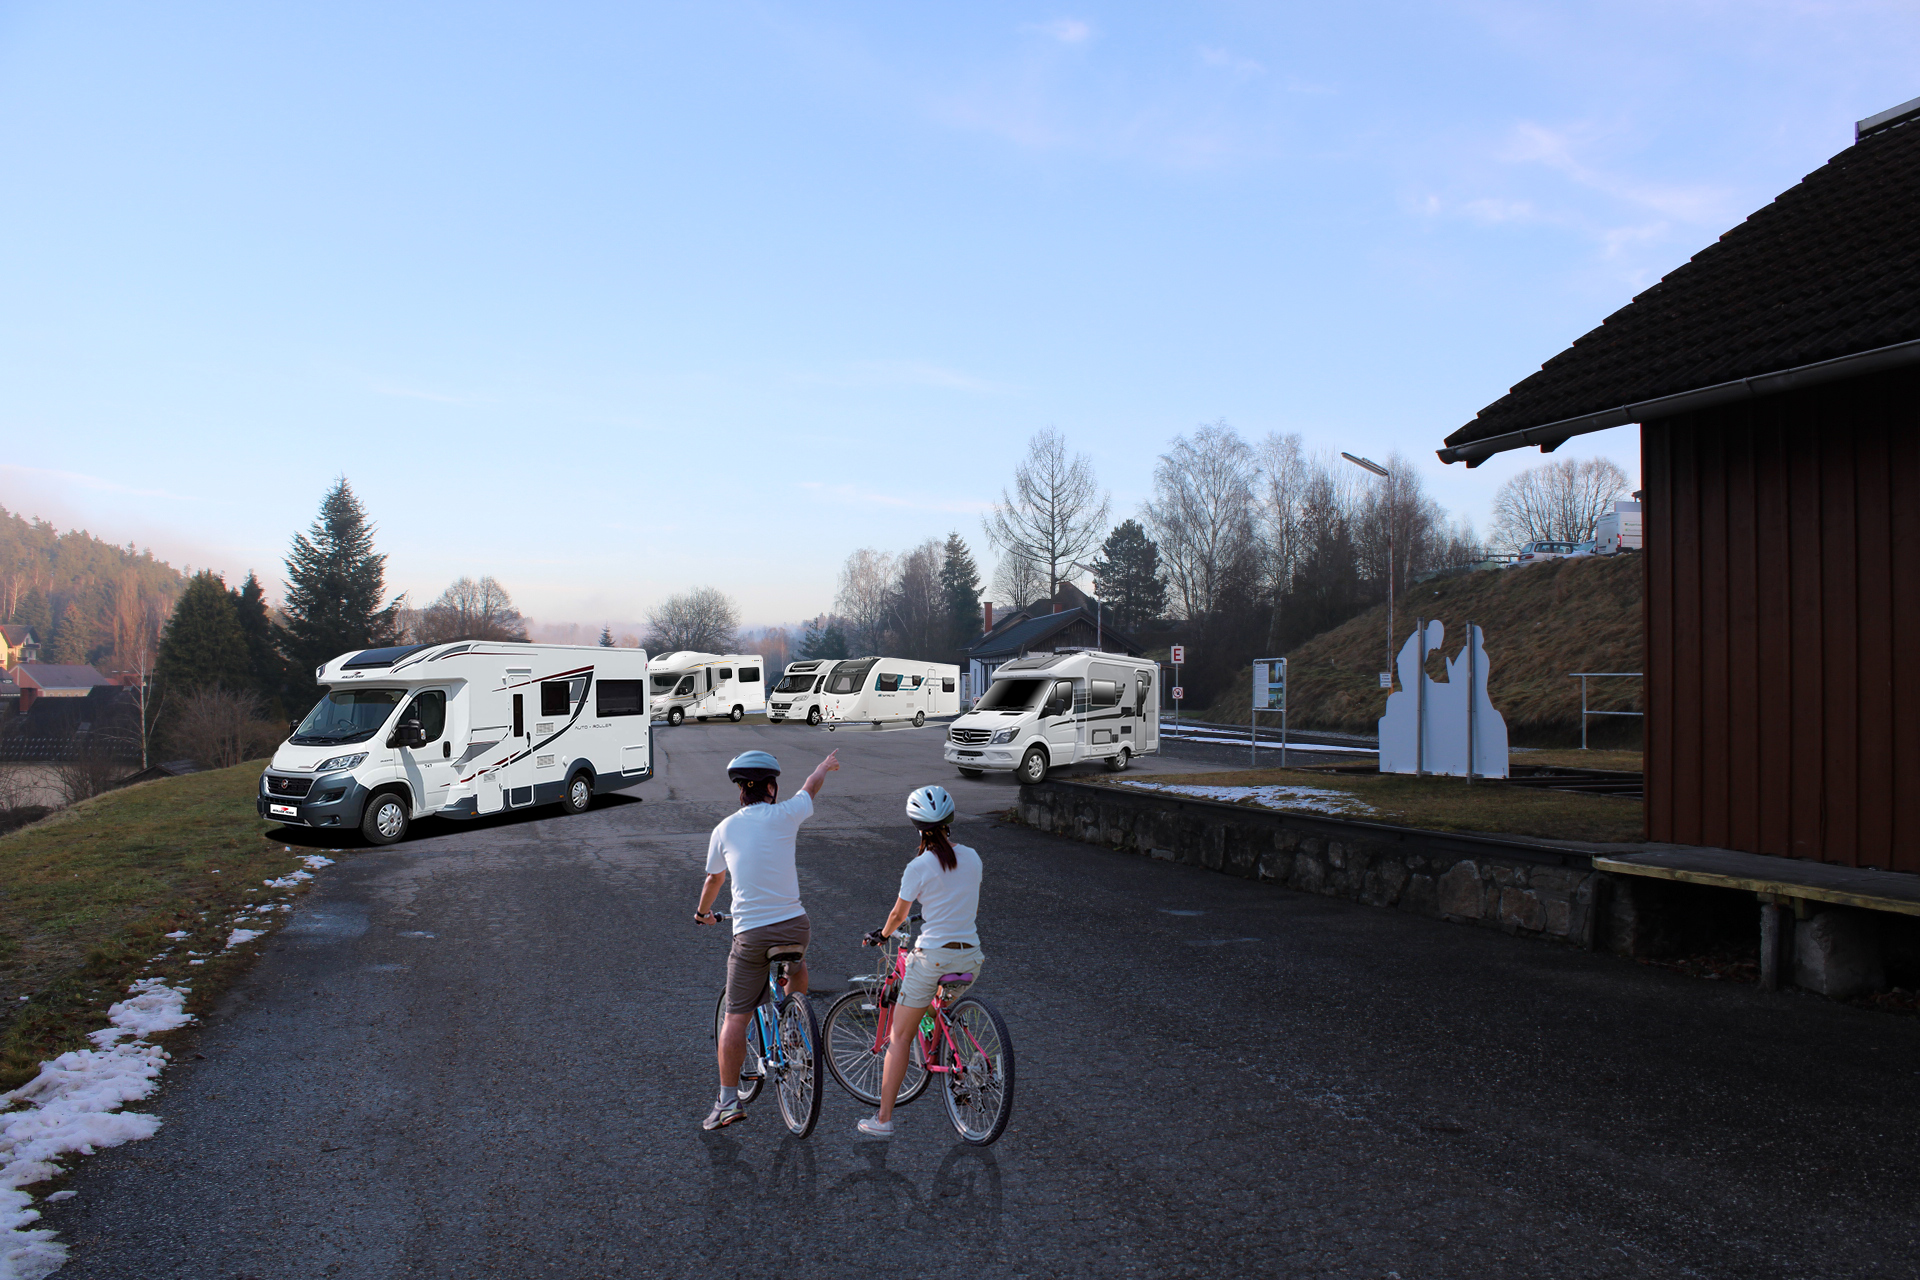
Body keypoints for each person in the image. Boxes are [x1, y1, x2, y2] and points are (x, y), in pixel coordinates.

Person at [694, 747, 840, 1131]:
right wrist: (823, 765)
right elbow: (811, 786)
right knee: (797, 963)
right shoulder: (787, 813)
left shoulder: (724, 829)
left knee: (736, 1017)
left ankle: (727, 1101)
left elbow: (715, 880)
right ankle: (796, 1022)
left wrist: (702, 913)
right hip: (795, 925)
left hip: (752, 933)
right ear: (772, 788)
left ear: (741, 791)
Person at [855, 784, 984, 1139]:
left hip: (933, 959)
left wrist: (882, 934)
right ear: (950, 821)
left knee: (898, 1035)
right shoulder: (973, 857)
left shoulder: (919, 866)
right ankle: (956, 1051)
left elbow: (899, 914)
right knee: (936, 1007)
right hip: (971, 957)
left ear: (918, 827)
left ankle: (882, 1120)